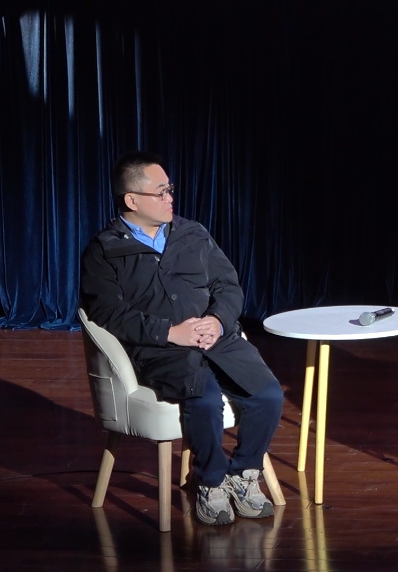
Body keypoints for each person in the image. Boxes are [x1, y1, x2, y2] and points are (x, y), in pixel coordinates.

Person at [80, 151, 284, 526]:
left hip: (216, 337)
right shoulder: (105, 250)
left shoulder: (193, 234)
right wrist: (171, 333)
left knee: (268, 394)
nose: (170, 198)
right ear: (132, 200)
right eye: (161, 192)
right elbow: (107, 313)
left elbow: (228, 286)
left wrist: (217, 320)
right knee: (203, 399)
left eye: (169, 189)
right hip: (162, 349)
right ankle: (210, 481)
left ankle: (243, 473)